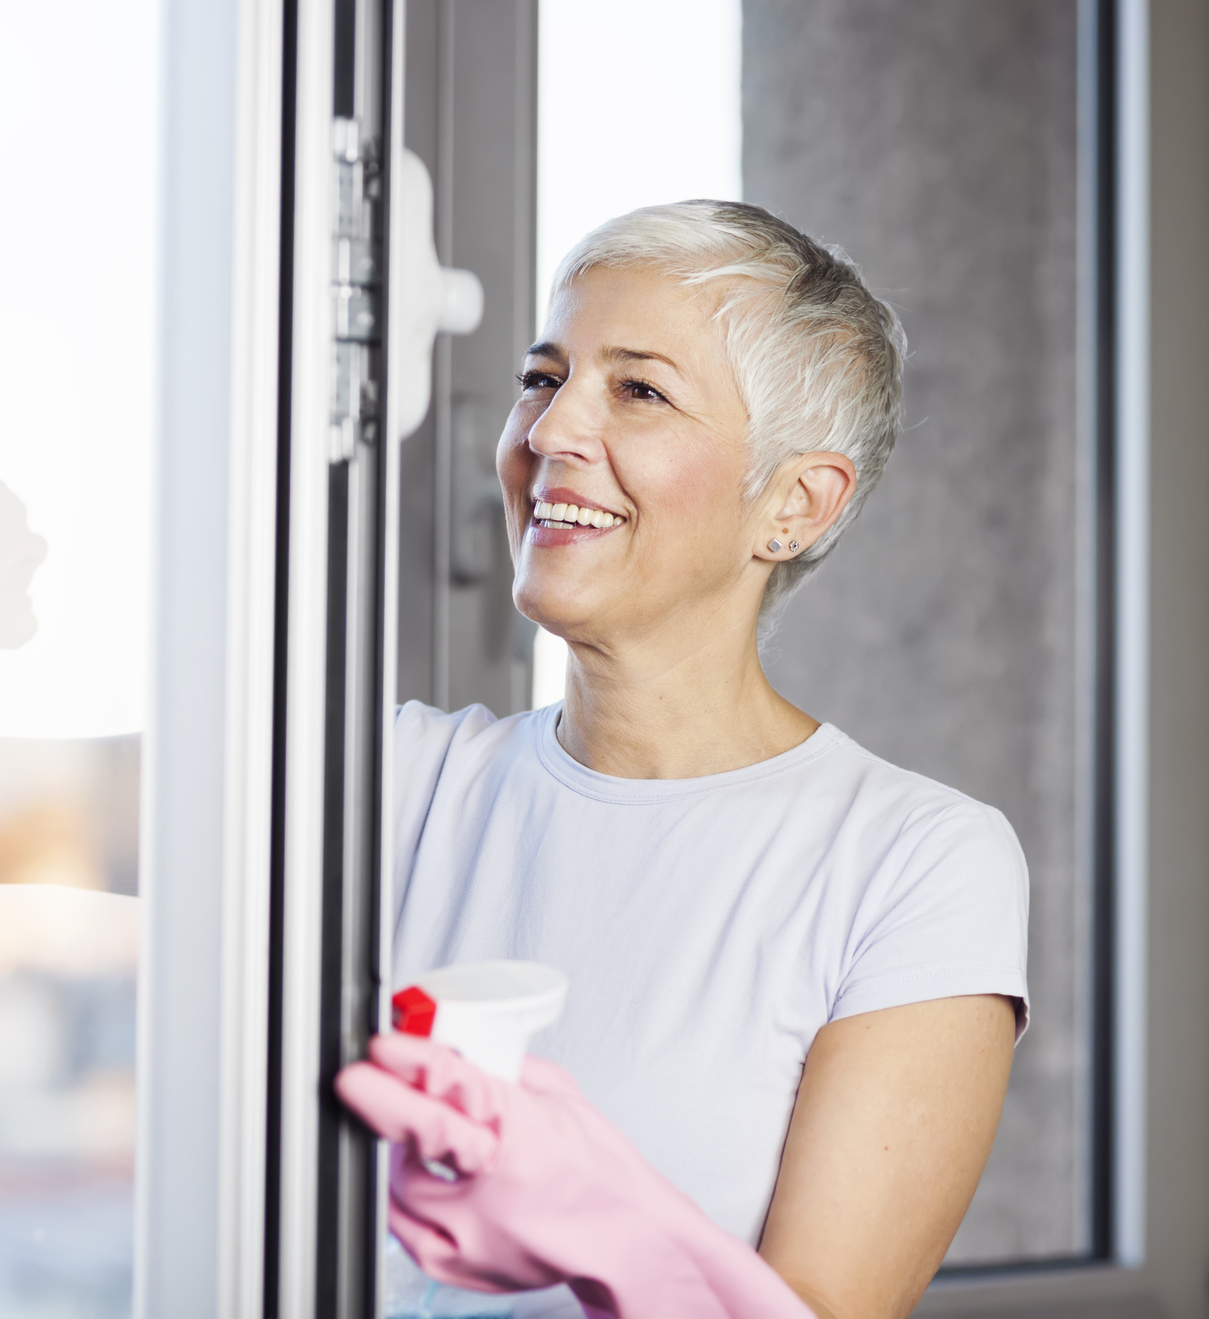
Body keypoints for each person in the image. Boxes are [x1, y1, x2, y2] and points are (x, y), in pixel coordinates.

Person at [336, 201, 1027, 1319]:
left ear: (794, 505)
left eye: (638, 390)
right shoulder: (401, 781)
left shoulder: (913, 862)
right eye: (542, 376)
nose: (551, 432)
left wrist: (613, 1226)